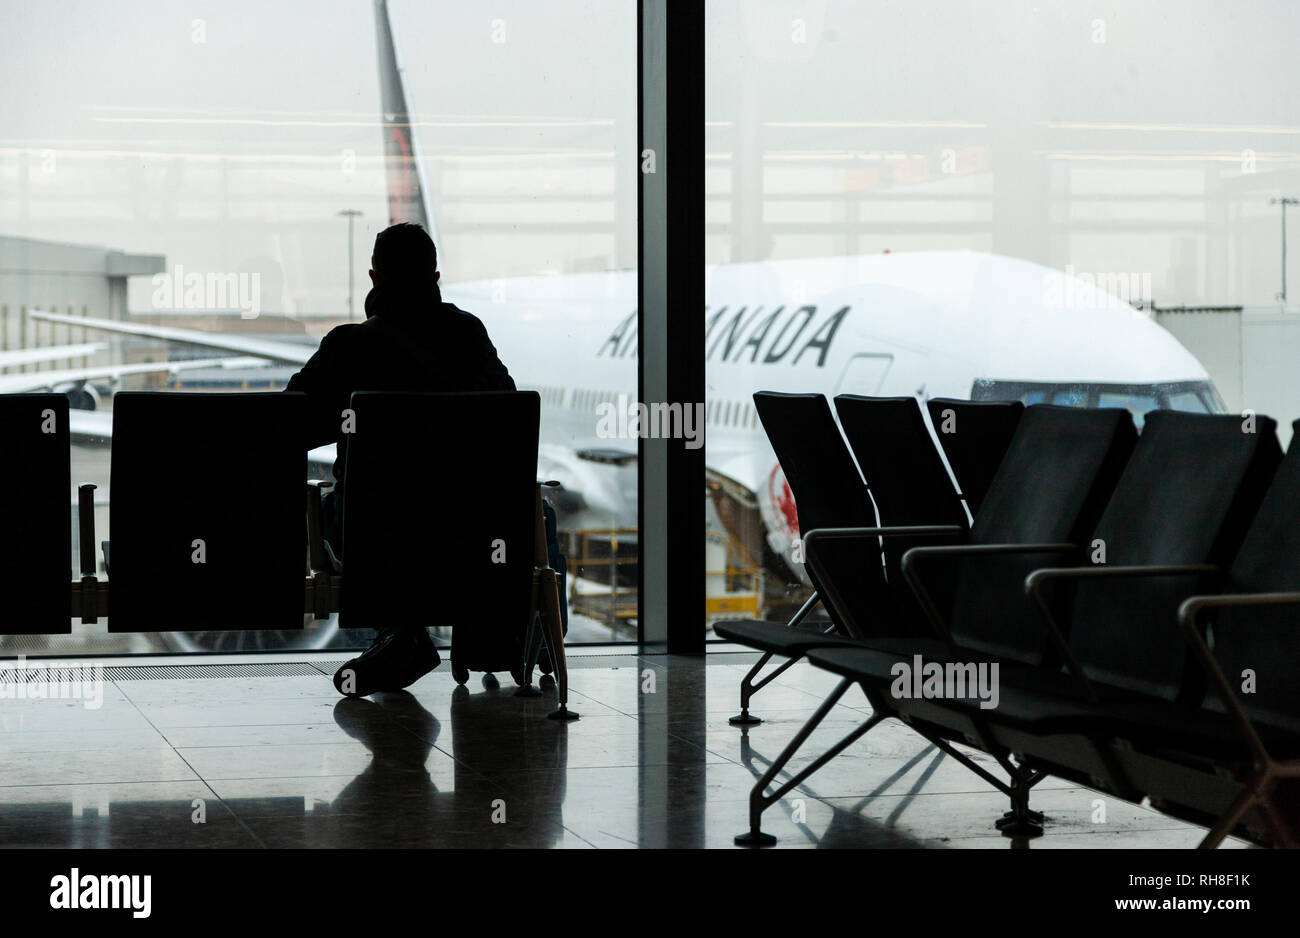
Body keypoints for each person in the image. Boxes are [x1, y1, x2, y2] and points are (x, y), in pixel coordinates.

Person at [285, 222, 515, 697]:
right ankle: (493, 639)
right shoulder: (469, 336)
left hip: (376, 534)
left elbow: (291, 426)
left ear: (374, 279)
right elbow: (506, 419)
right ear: (435, 277)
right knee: (533, 516)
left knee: (347, 506)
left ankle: (401, 632)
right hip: (467, 533)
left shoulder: (350, 347)